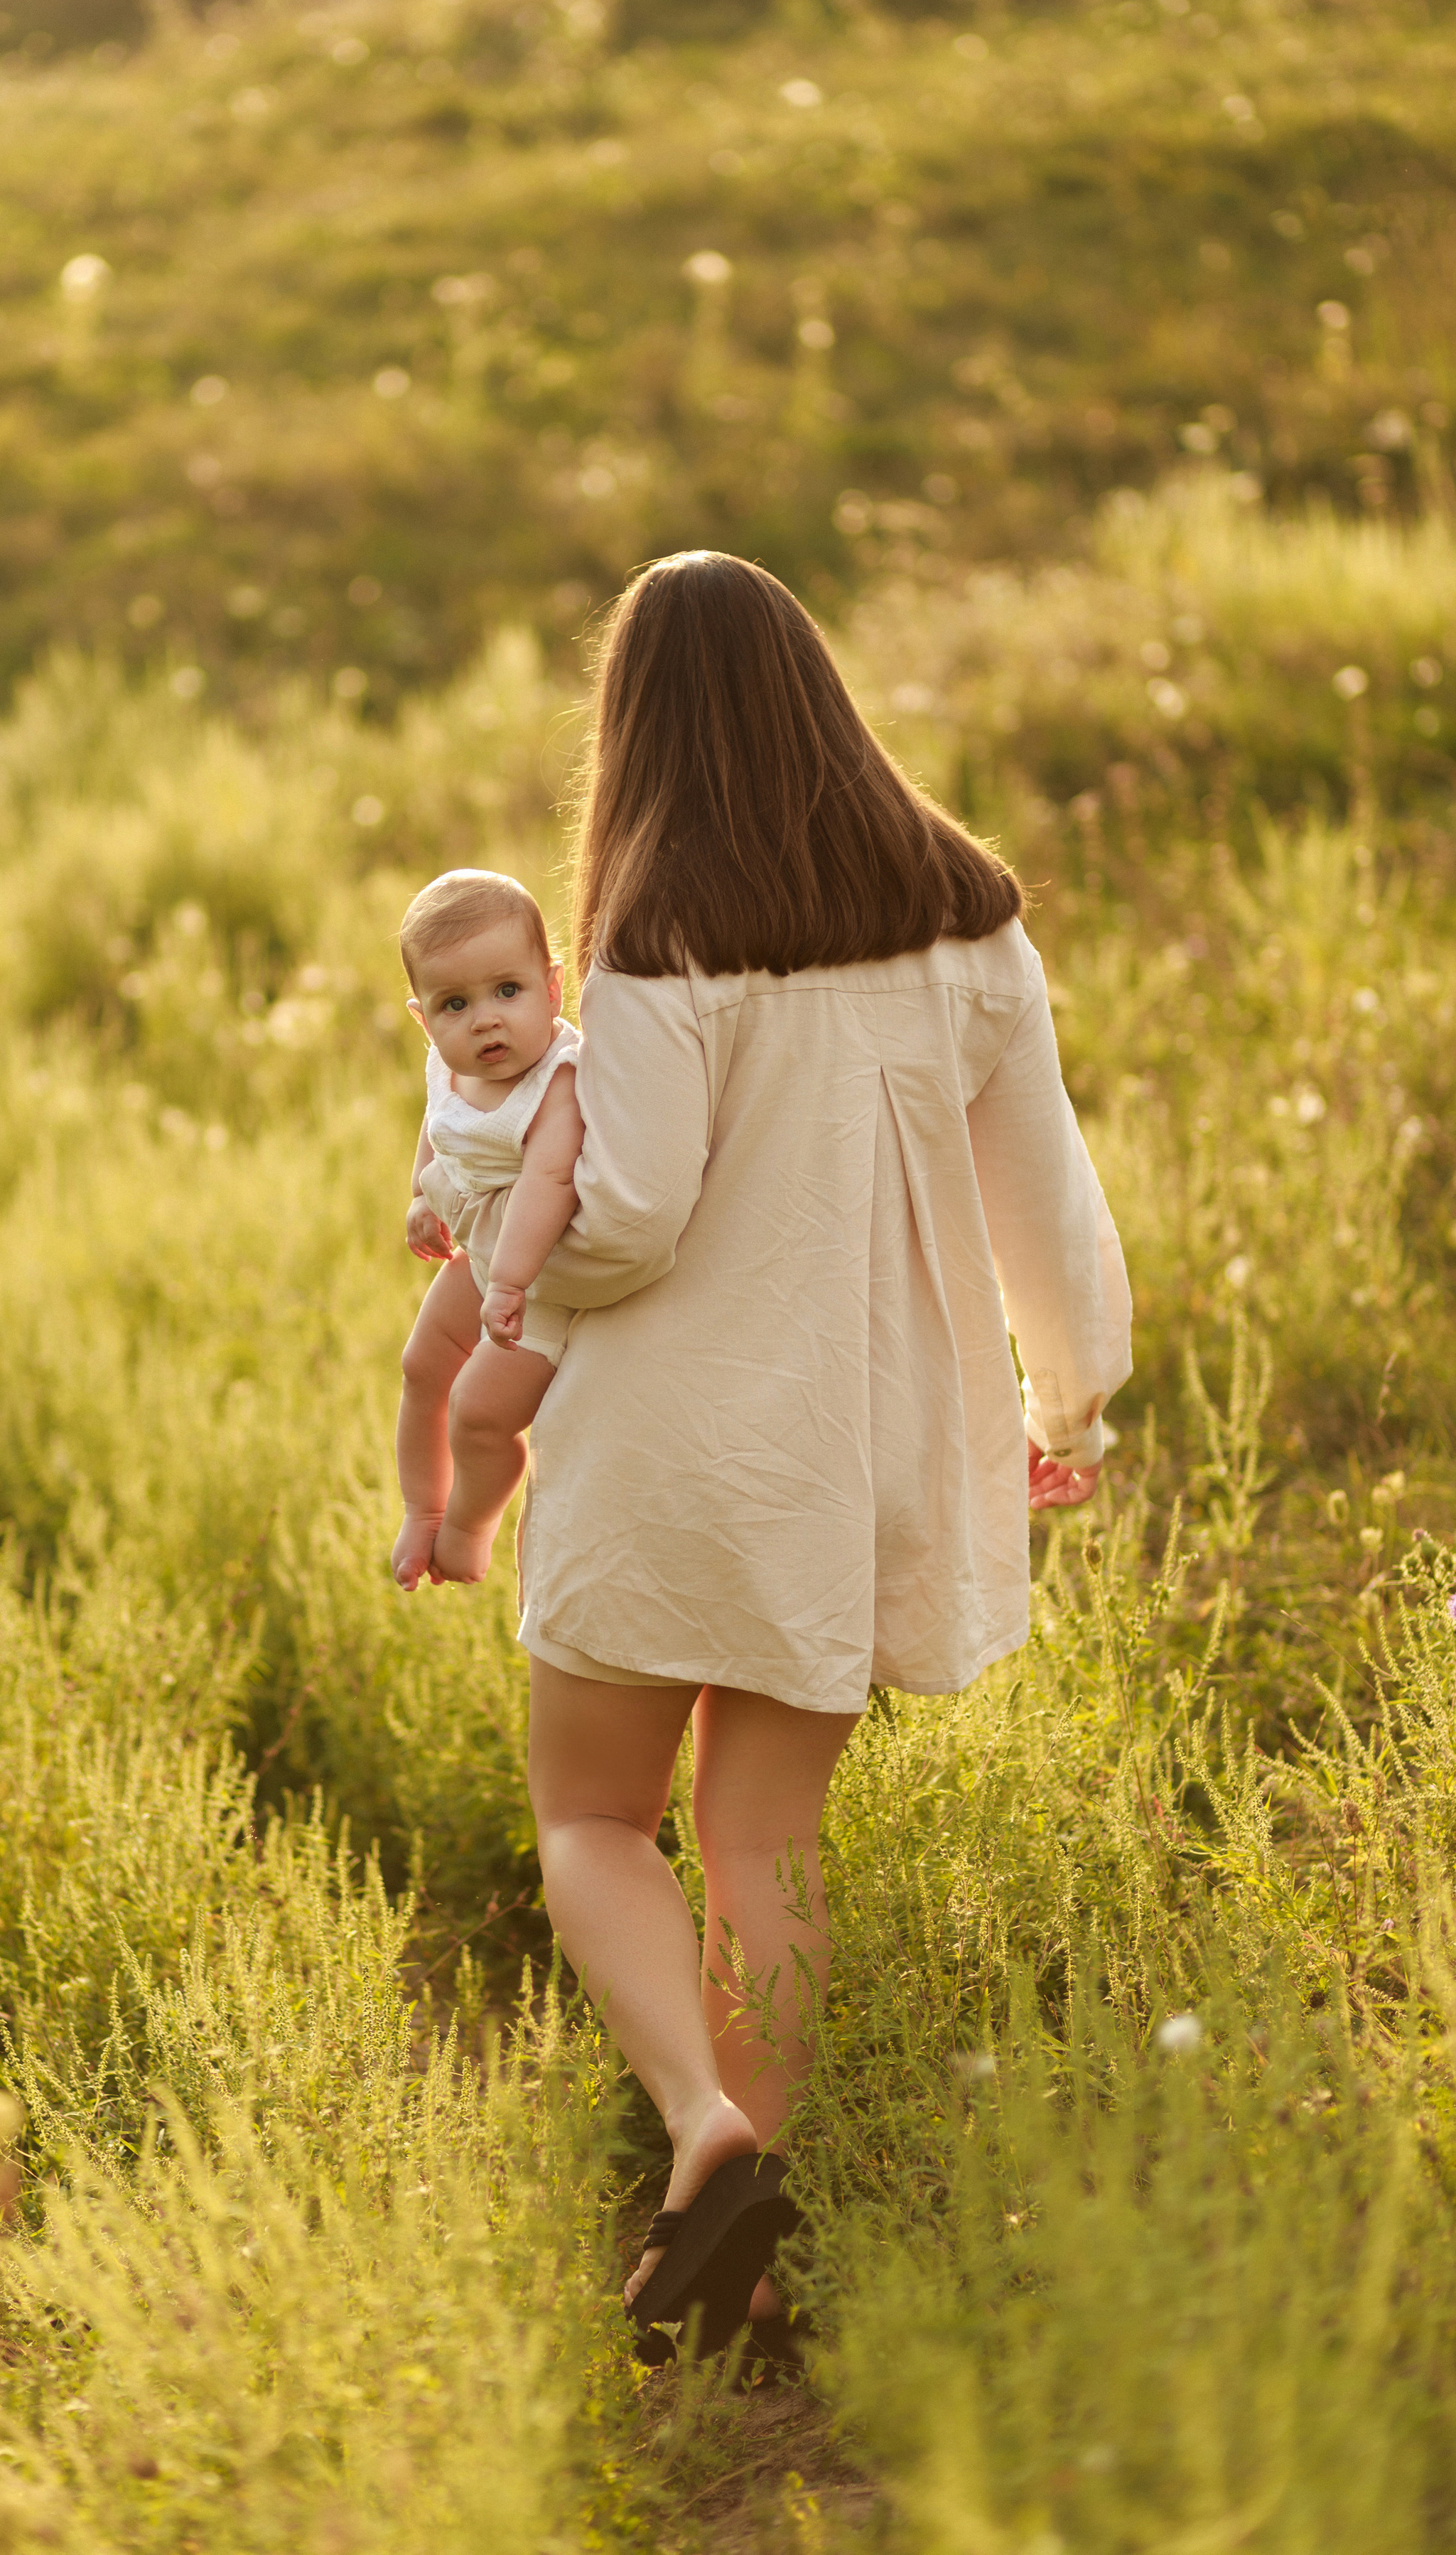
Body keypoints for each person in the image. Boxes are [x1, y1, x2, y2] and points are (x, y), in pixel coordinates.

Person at [492, 552, 1132, 2363]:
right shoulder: (964, 918)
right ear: (815, 691)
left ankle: (698, 2122)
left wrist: (500, 1233)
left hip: (670, 1454)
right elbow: (1050, 1213)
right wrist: (1063, 1406)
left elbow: (626, 1223)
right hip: (854, 1465)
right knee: (764, 1846)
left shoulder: (656, 937)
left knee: (590, 1816)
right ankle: (744, 2247)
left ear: (634, 727)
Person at [391, 870, 586, 1592]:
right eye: (455, 1004)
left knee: (478, 1412)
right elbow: (438, 1125)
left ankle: (469, 1529)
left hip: (539, 1280)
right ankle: (421, 1508)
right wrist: (419, 1193)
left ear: (552, 987)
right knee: (421, 1368)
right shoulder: (450, 1065)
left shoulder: (556, 1080)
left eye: (508, 991)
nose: (484, 1020)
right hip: (480, 1257)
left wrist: (508, 1281)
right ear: (423, 1019)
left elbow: (551, 1181)